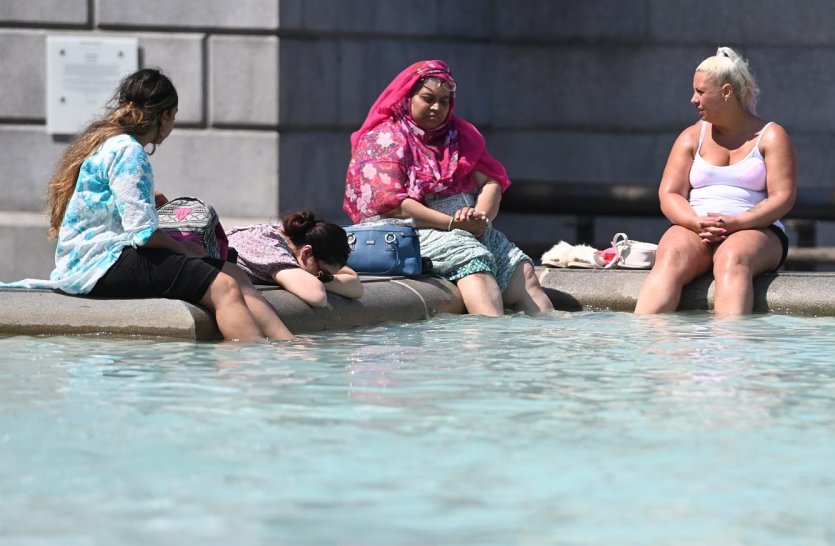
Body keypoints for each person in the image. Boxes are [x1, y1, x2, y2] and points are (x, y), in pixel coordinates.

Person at [2, 68, 293, 340]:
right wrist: (185, 248)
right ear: (163, 116)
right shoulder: (130, 152)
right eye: (174, 116)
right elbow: (144, 235)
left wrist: (150, 205)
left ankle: (287, 345)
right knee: (224, 287)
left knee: (234, 273)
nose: (173, 125)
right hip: (104, 264)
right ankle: (252, 367)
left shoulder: (106, 143)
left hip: (88, 260)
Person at [344, 60, 554, 316]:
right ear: (407, 97)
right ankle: (490, 345)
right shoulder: (383, 138)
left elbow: (490, 181)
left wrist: (480, 218)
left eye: (444, 101)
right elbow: (394, 206)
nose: (437, 107)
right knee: (473, 261)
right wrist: (453, 224)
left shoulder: (460, 135)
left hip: (467, 228)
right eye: (428, 98)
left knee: (522, 269)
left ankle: (553, 341)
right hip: (408, 231)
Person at [634, 47, 796, 316]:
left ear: (727, 92)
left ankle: (730, 350)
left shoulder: (771, 136)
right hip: (695, 225)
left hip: (755, 228)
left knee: (732, 259)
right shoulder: (690, 136)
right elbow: (670, 193)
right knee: (670, 257)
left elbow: (783, 198)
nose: (692, 100)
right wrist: (694, 222)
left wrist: (737, 223)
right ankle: (648, 345)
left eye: (700, 92)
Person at [227, 210, 363, 308]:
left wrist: (324, 278)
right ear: (306, 253)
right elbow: (317, 296)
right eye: (323, 273)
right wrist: (321, 280)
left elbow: (357, 287)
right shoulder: (270, 247)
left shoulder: (290, 238)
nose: (322, 276)